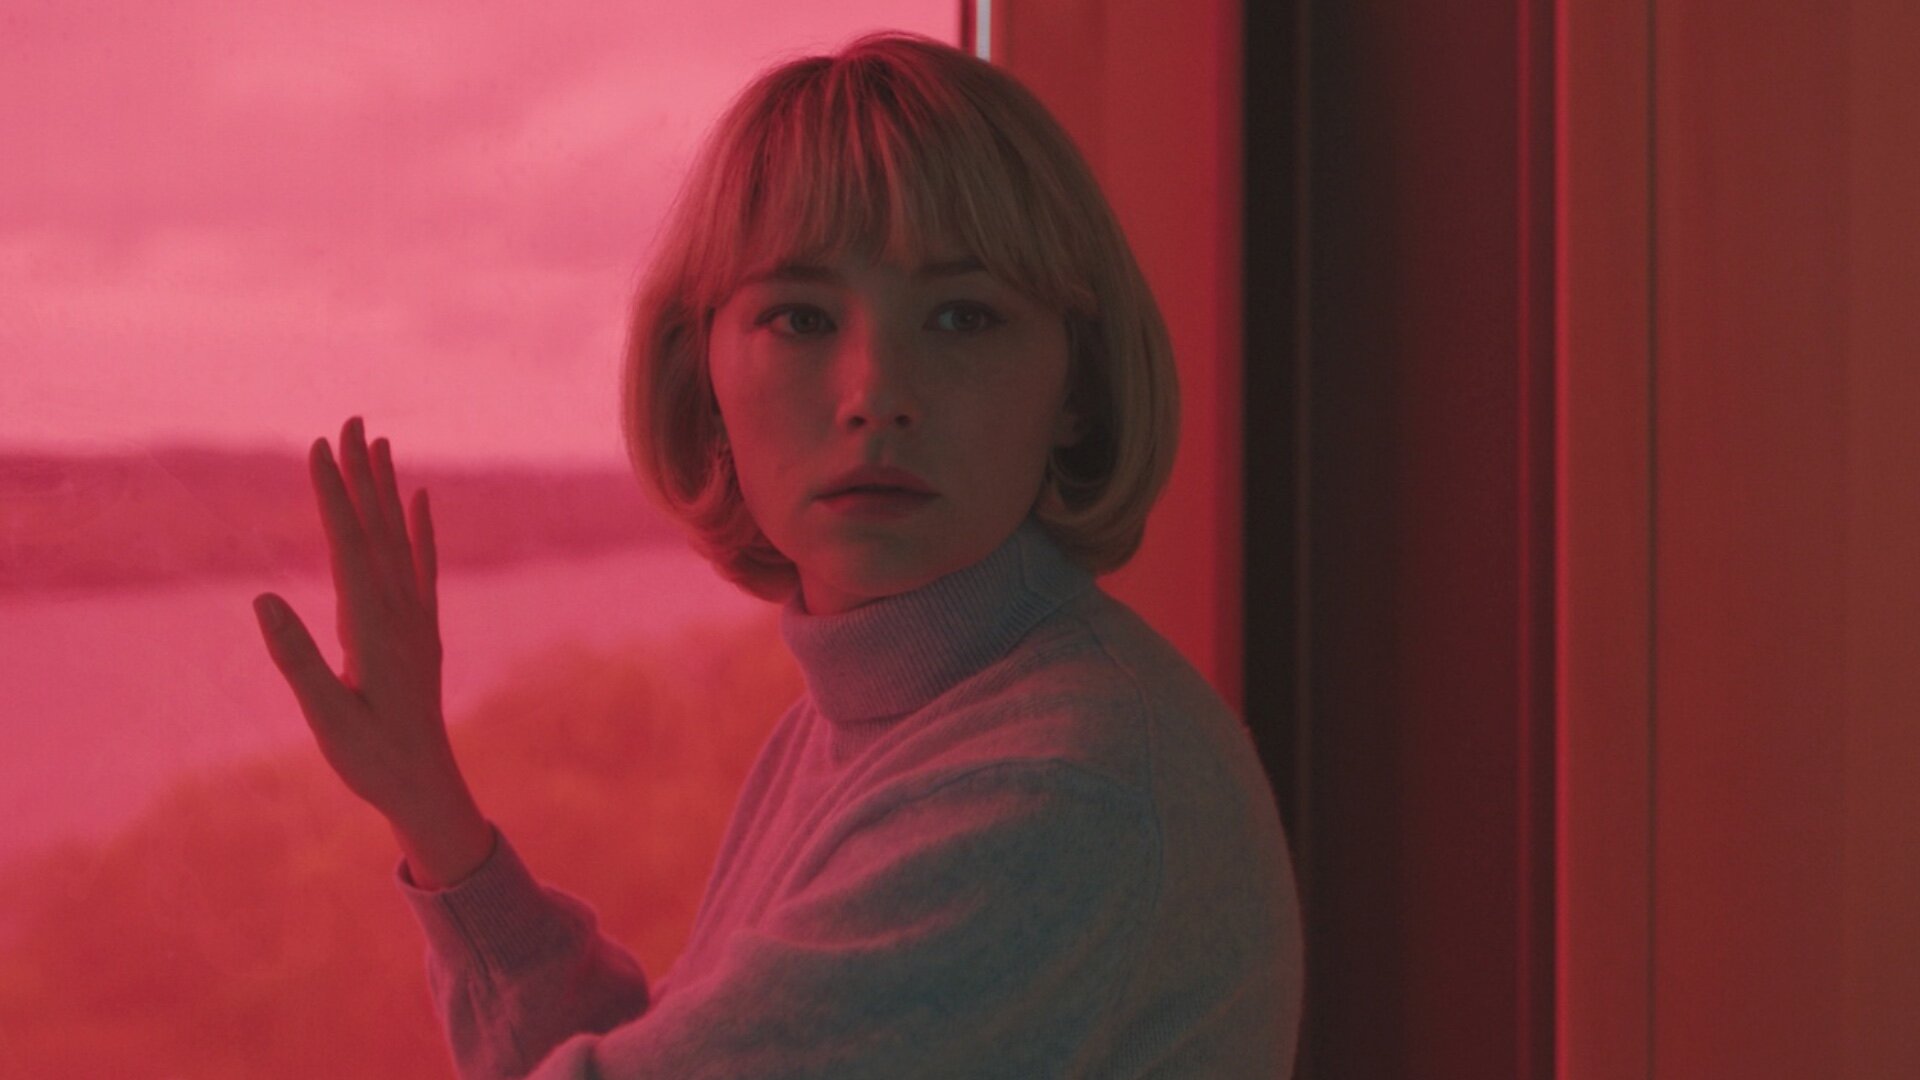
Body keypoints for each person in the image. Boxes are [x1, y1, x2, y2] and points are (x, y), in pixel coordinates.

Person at [252, 29, 1303, 1079]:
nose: (875, 394)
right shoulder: (877, 715)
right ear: (703, 382)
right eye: (801, 318)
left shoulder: (1055, 791)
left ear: (1077, 387)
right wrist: (428, 804)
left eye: (962, 316)